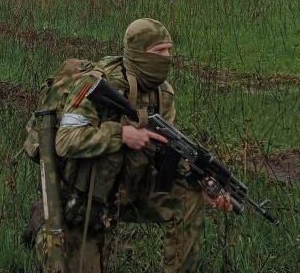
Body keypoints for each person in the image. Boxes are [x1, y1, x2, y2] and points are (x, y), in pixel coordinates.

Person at [35, 18, 234, 272]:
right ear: (138, 53)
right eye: (159, 51)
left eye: (169, 50)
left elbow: (163, 154)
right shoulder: (96, 84)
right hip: (84, 198)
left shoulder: (163, 94)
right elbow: (65, 141)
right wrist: (121, 134)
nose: (167, 57)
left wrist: (204, 184)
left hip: (128, 188)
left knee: (187, 198)